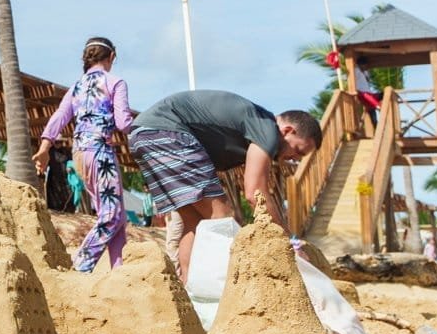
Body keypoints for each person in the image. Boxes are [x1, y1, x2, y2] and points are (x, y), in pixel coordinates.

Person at [129, 91, 321, 284]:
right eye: (297, 151)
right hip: (167, 132)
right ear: (288, 131)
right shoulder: (268, 129)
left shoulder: (257, 124)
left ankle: (191, 294)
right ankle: (231, 292)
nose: (294, 159)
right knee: (222, 218)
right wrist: (289, 242)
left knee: (194, 223)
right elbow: (255, 193)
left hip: (143, 134)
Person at [34, 37, 134, 271]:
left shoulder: (76, 87)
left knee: (113, 217)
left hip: (79, 153)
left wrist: (44, 148)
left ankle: (118, 272)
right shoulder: (115, 82)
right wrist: (147, 130)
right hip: (101, 152)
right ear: (111, 57)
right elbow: (123, 122)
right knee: (112, 216)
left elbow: (60, 116)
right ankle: (79, 265)